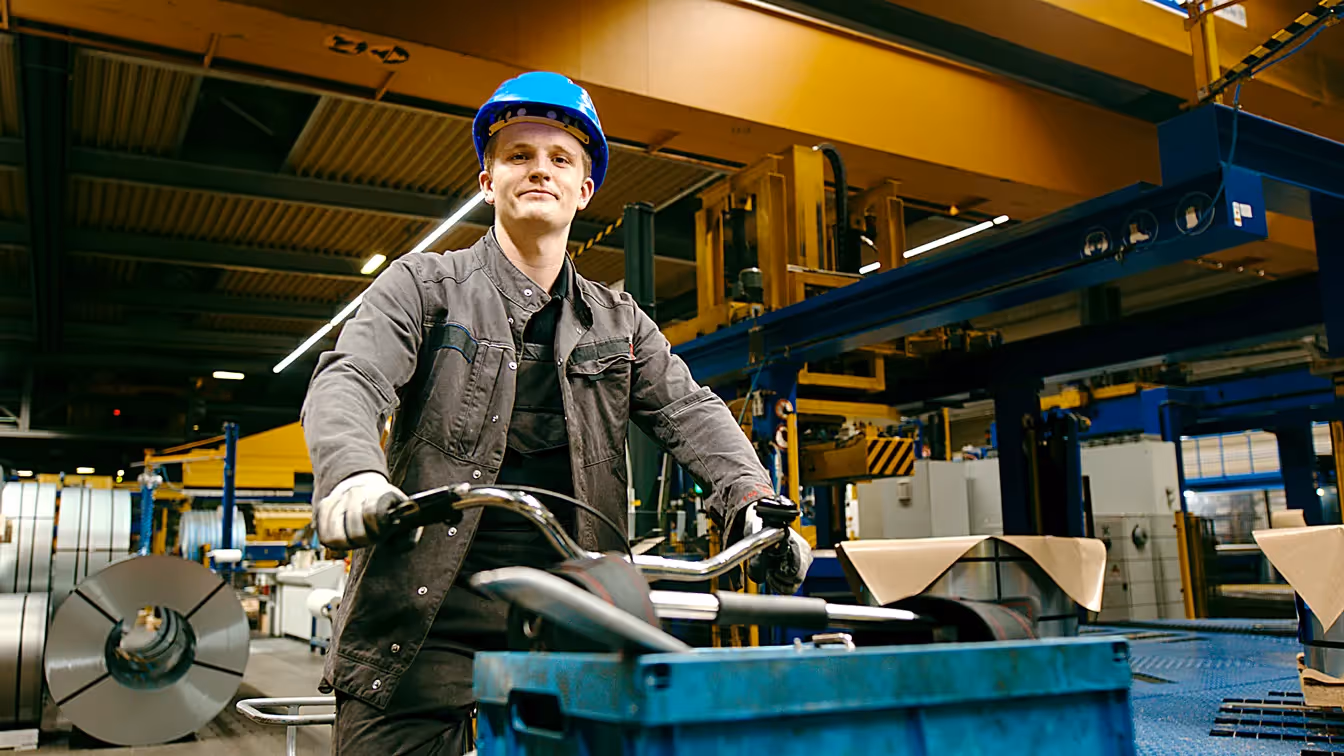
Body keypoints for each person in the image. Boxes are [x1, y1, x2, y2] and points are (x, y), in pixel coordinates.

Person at [300, 71, 812, 755]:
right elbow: (352, 377)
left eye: (559, 159)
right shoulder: (423, 286)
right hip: (419, 625)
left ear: (584, 189)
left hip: (572, 618)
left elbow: (692, 411)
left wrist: (753, 502)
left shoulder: (621, 322)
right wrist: (353, 476)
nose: (539, 169)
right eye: (518, 156)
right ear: (488, 181)